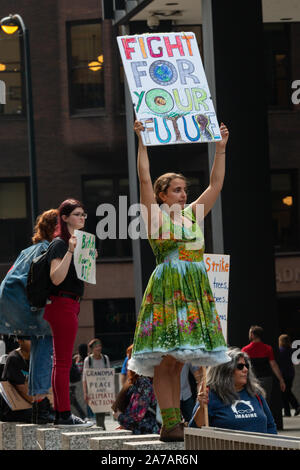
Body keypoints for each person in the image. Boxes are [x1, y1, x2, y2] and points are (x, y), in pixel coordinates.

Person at [127, 120, 230, 442]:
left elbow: (215, 185)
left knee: (179, 360)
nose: (184, 194)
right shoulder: (154, 214)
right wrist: (142, 141)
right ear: (162, 194)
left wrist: (220, 148)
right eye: (177, 190)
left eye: (185, 189)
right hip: (168, 288)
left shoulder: (192, 216)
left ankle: (174, 422)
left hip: (195, 289)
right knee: (166, 359)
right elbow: (144, 176)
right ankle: (171, 421)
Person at [0, 209, 58, 424]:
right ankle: (42, 407)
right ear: (54, 229)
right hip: (24, 300)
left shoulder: (31, 249)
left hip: (11, 300)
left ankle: (40, 405)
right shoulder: (48, 250)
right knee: (45, 340)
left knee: (39, 346)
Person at [44, 198, 94, 427]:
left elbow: (82, 279)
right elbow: (56, 277)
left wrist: (87, 260)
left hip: (70, 304)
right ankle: (63, 414)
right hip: (61, 304)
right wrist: (71, 252)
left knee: (61, 362)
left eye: (84, 214)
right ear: (64, 218)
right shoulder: (60, 244)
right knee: (62, 363)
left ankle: (61, 413)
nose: (82, 218)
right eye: (77, 214)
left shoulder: (80, 243)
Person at [189, 347, 277, 434]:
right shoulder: (210, 396)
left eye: (246, 366)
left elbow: (270, 425)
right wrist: (201, 407)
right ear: (225, 370)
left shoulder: (255, 393)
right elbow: (195, 429)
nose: (246, 370)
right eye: (240, 366)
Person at [112, 348, 160, 435]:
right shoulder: (142, 380)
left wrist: (119, 416)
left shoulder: (143, 383)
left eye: (129, 358)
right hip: (144, 431)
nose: (127, 363)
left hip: (145, 433)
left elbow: (136, 418)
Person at [242, 326, 286, 403]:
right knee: (265, 402)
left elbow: (241, 367)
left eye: (249, 333)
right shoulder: (268, 348)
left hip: (252, 379)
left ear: (252, 334)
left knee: (252, 402)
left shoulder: (245, 349)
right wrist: (281, 380)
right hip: (266, 379)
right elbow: (273, 365)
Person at [0, 337, 32, 423]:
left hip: (31, 404)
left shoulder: (36, 358)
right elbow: (22, 389)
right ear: (20, 341)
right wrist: (40, 403)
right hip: (14, 410)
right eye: (30, 339)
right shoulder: (14, 358)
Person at [82, 338, 110, 429]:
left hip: (104, 389)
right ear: (92, 349)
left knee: (102, 410)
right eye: (96, 347)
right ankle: (101, 427)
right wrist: (85, 393)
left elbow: (109, 375)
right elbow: (84, 377)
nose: (98, 348)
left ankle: (101, 426)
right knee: (96, 411)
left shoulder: (105, 359)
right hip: (92, 390)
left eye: (99, 346)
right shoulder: (88, 360)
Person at [278, 334, 300, 417]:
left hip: (283, 374)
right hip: (290, 373)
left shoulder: (280, 351)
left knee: (284, 393)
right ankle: (293, 408)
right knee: (287, 392)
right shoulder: (290, 350)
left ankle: (292, 408)